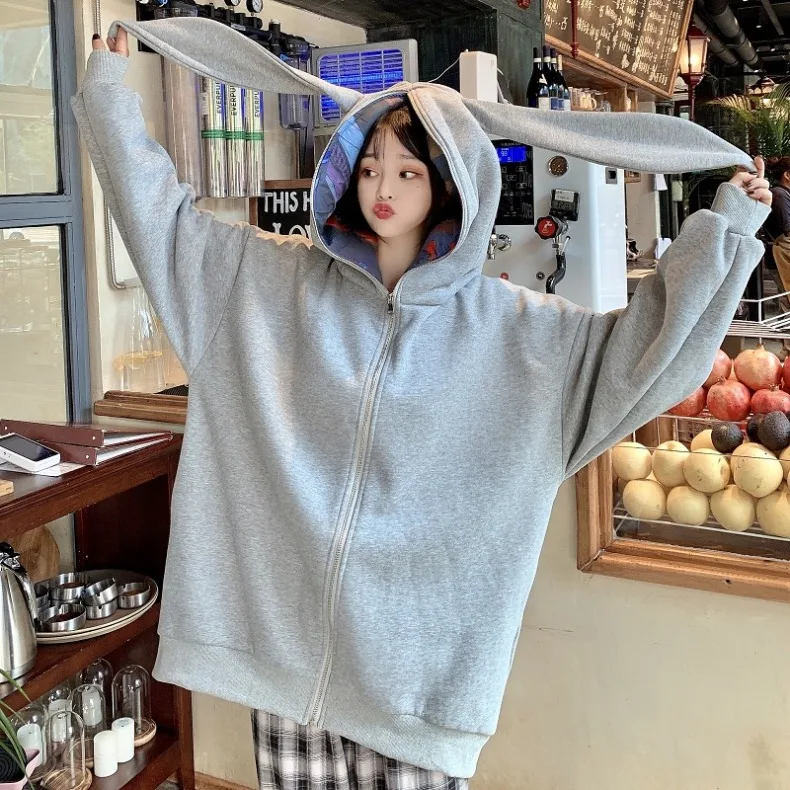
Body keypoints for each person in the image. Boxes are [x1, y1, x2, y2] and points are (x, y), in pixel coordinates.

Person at [74, 20, 771, 790]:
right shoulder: (263, 286)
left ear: (450, 184)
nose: (383, 189)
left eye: (408, 171)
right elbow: (162, 224)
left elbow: (649, 356)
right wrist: (109, 99)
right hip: (283, 672)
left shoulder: (524, 339)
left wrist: (727, 231)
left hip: (420, 697)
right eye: (370, 166)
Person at [763, 156, 790, 295]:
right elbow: (787, 228)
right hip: (782, 256)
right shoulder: (779, 195)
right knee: (786, 298)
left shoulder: (782, 194)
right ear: (787, 175)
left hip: (783, 255)